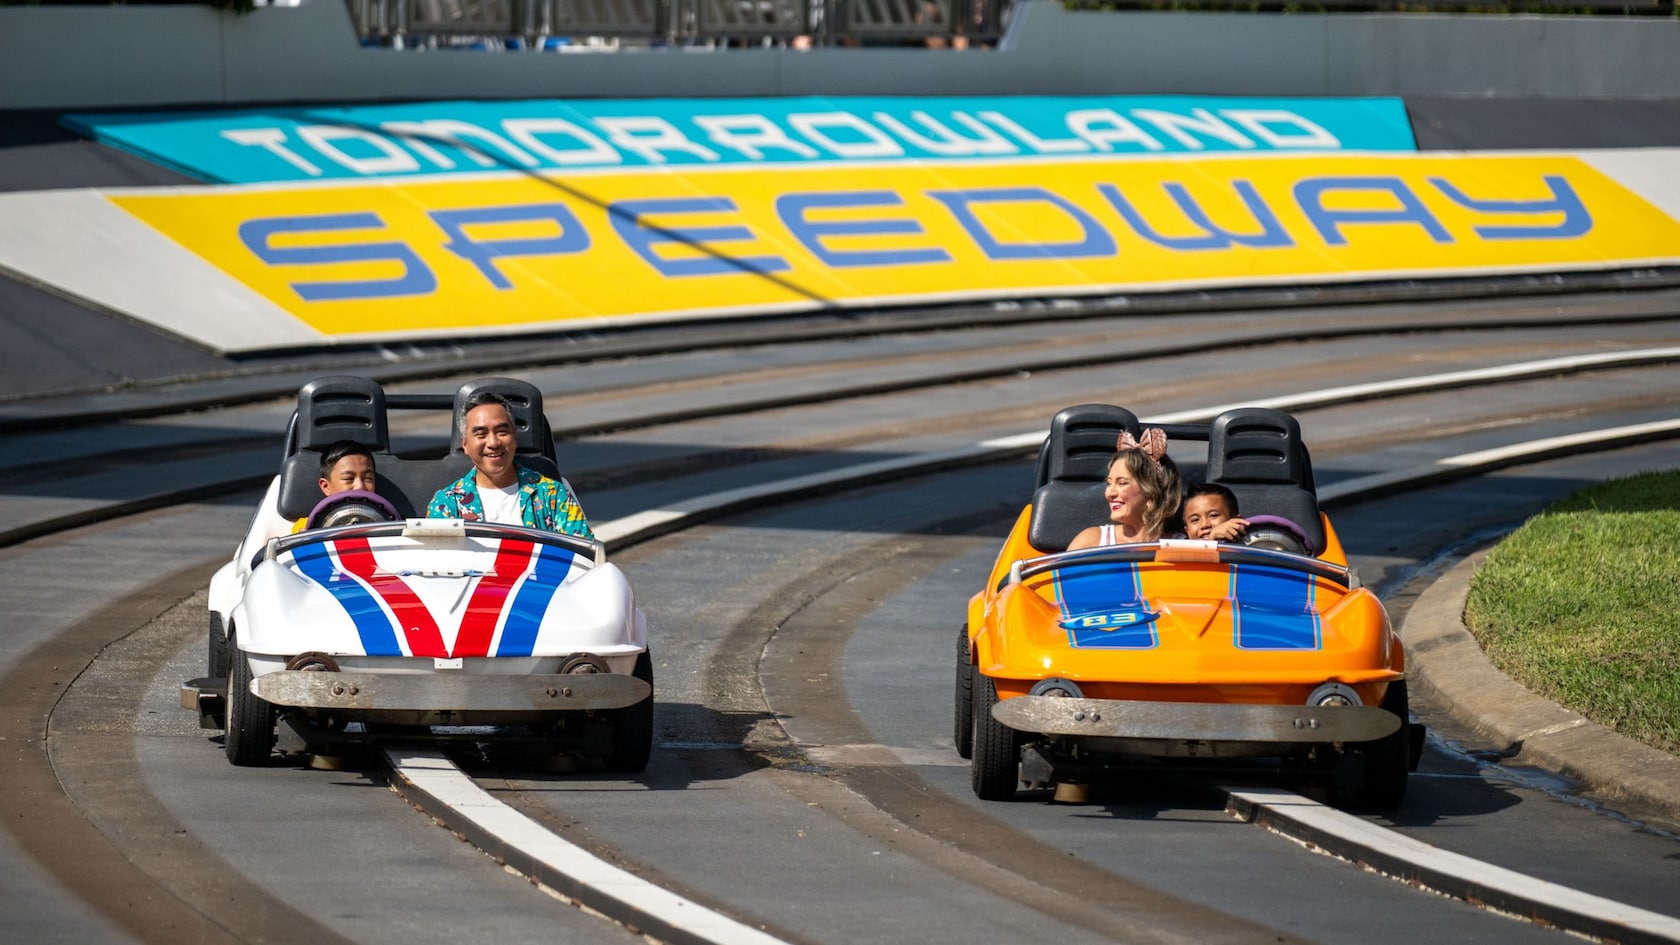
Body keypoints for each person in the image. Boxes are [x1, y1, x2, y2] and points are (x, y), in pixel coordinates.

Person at [427, 391, 594, 540]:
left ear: (514, 437)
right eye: (481, 434)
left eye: (502, 432)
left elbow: (585, 557)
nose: (493, 442)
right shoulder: (447, 505)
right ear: (465, 445)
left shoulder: (552, 495)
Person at [1066, 428, 1181, 550]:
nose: (1109, 493)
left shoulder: (1181, 547)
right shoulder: (1091, 541)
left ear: (1152, 493)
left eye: (1122, 483)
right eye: (1109, 483)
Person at [292, 440, 378, 532]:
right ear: (326, 486)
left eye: (368, 478)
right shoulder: (307, 526)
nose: (360, 486)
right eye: (348, 478)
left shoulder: (387, 522)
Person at [1182, 481, 1249, 543]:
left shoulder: (1249, 546)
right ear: (1188, 532)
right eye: (1195, 520)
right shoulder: (1180, 554)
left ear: (1237, 521)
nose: (1204, 525)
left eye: (1213, 516)